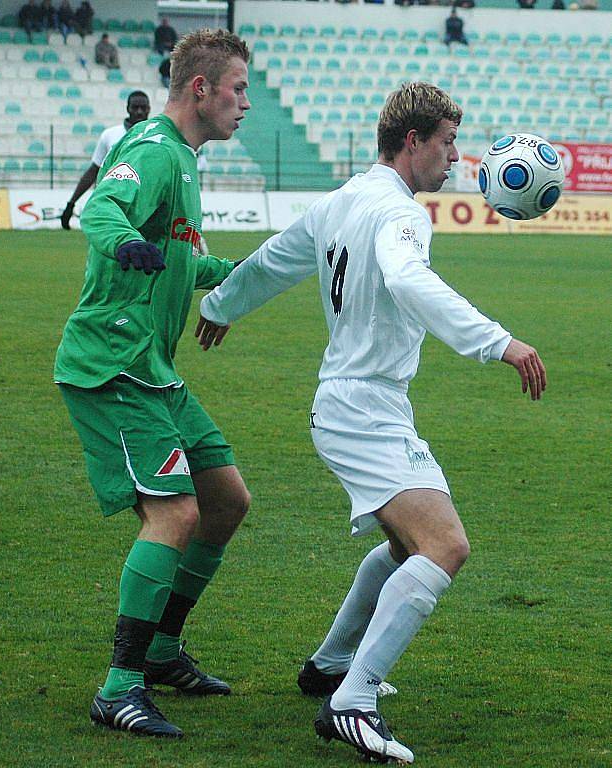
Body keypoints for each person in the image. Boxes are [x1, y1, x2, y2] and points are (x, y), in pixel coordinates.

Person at [196, 81, 547, 763]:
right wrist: (499, 342)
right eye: (447, 142)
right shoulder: (402, 215)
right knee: (445, 546)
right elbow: (410, 281)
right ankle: (352, 702)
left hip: (357, 402)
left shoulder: (341, 200)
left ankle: (329, 666)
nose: (456, 156)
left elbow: (276, 257)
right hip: (363, 408)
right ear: (412, 141)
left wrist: (221, 303)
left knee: (403, 549)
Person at [54, 28, 251, 738]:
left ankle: (163, 652)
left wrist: (243, 276)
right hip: (112, 364)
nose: (245, 104)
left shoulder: (188, 162)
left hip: (154, 370)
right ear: (200, 88)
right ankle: (119, 685)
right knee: (175, 515)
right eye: (237, 89)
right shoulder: (151, 149)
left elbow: (183, 262)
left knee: (225, 500)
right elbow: (106, 209)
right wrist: (123, 241)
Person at [60, 91, 150, 229]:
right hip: (113, 202)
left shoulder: (156, 136)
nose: (139, 112)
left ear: (149, 109)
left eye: (143, 108)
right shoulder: (110, 135)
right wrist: (71, 203)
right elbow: (93, 171)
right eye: (135, 107)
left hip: (144, 204)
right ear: (127, 109)